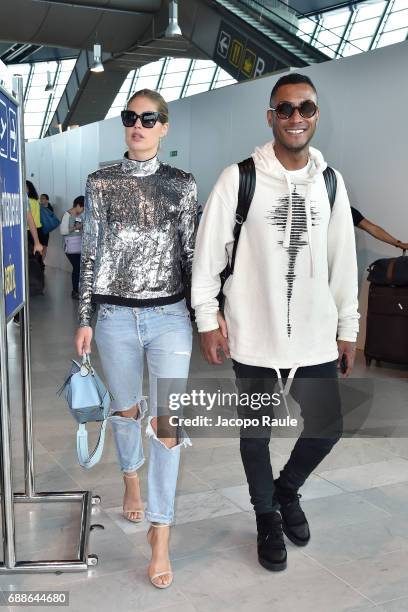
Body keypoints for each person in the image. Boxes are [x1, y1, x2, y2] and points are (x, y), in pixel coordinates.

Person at [192, 73, 359, 572]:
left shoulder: (331, 182)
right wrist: (207, 318)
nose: (295, 118)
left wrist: (346, 327)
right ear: (271, 116)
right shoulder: (238, 177)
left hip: (314, 335)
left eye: (305, 108)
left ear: (316, 116)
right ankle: (266, 517)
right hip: (254, 333)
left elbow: (342, 260)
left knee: (327, 427)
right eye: (284, 109)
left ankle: (286, 492)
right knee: (255, 436)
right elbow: (207, 257)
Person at [75, 89, 197, 589]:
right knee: (125, 411)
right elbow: (92, 253)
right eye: (131, 118)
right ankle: (130, 479)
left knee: (167, 422)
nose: (139, 125)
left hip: (170, 316)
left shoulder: (182, 185)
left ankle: (160, 532)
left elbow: (191, 256)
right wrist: (84, 316)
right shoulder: (101, 182)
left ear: (164, 127)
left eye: (150, 118)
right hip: (115, 319)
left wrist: (205, 316)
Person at [60, 196, 84, 299]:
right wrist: (75, 228)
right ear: (78, 205)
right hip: (70, 247)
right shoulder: (67, 215)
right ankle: (75, 291)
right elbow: (62, 231)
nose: (83, 211)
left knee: (78, 268)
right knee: (77, 268)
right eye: (82, 208)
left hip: (79, 246)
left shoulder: (80, 215)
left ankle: (78, 290)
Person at [38, 193, 54, 259]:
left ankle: (42, 260)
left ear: (47, 200)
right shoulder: (38, 207)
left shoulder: (49, 209)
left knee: (44, 246)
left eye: (43, 198)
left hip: (45, 231)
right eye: (40, 198)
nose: (41, 200)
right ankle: (39, 260)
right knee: (39, 246)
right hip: (38, 230)